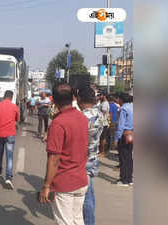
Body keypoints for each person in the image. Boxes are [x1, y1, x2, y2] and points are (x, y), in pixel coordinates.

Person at [39, 83, 88, 225]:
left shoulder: (58, 123)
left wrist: (46, 186)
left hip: (64, 182)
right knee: (77, 220)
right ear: (73, 98)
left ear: (53, 100)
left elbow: (54, 159)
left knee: (66, 222)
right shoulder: (82, 118)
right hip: (81, 180)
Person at [77, 88, 104, 225]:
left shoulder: (82, 117)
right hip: (93, 157)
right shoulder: (99, 113)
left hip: (83, 160)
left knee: (86, 198)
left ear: (80, 99)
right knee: (90, 194)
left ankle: (88, 222)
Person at [114, 93, 134, 187]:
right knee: (129, 157)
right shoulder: (133, 107)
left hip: (124, 134)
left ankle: (124, 180)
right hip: (132, 133)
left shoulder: (123, 109)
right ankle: (129, 178)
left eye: (118, 98)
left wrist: (116, 138)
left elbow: (120, 125)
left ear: (121, 100)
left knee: (123, 158)